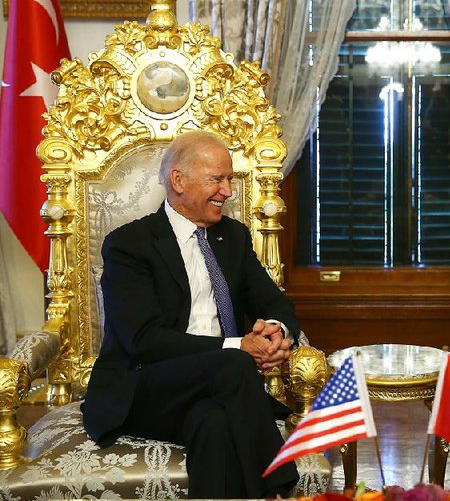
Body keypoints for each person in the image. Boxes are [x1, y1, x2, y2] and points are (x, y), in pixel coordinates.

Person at [82, 130, 300, 498]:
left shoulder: (232, 237)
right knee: (234, 362)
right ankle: (279, 487)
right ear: (178, 181)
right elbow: (144, 341)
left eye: (229, 179)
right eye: (217, 179)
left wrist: (276, 332)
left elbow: (273, 302)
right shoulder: (129, 245)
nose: (228, 191)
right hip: (144, 388)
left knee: (213, 422)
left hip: (217, 390)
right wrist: (238, 346)